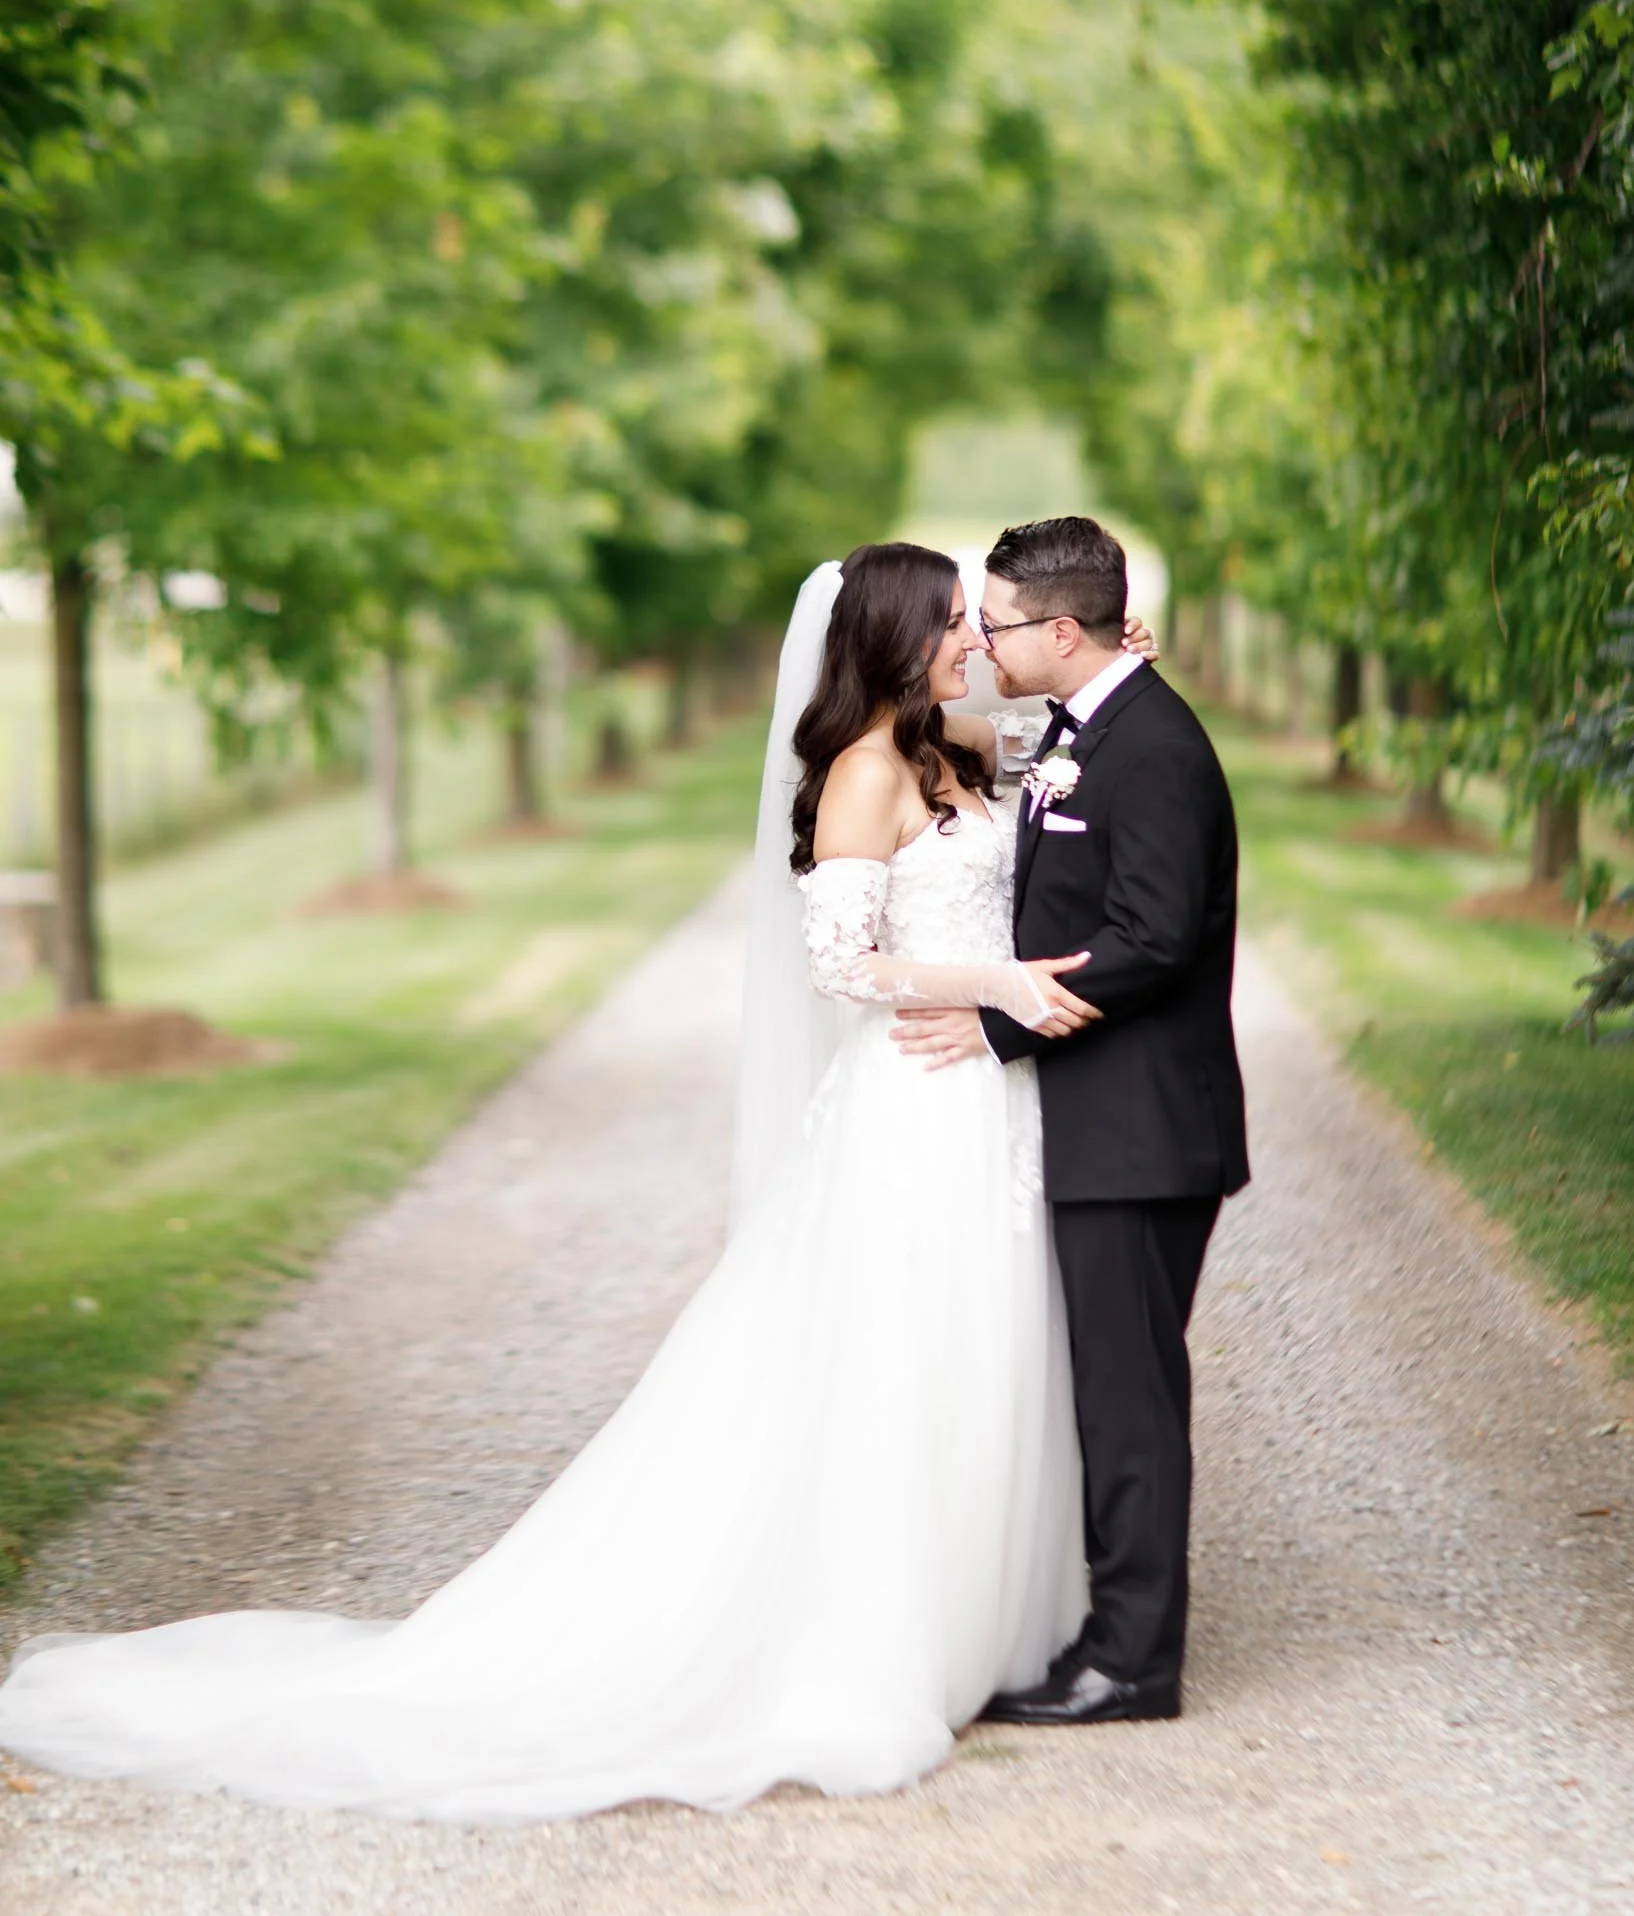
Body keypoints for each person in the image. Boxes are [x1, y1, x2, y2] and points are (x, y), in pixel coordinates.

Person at [0, 542, 1154, 1823]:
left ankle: (986, 1620)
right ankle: (879, 1631)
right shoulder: (864, 773)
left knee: (983, 1349)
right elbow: (839, 962)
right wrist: (993, 984)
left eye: (974, 621)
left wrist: (1113, 663)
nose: (971, 639)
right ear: (890, 637)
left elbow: (1067, 735)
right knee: (892, 1358)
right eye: (950, 621)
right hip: (908, 1107)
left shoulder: (961, 746)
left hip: (985, 1110)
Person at [896, 516, 1248, 1727]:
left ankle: (1133, 1664)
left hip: (1142, 1130)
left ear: (1059, 628)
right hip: (1100, 1123)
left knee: (1129, 1399)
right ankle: (1103, 1631)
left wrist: (995, 1022)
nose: (981, 644)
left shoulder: (1148, 746)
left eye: (995, 623)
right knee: (1104, 1389)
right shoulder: (1083, 725)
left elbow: (1151, 938)